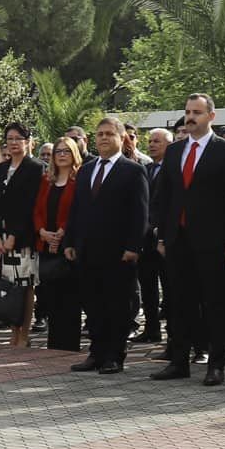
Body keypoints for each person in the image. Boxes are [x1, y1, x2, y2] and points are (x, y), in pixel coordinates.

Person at [152, 93, 225, 386]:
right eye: (187, 111)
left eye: (197, 112)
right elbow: (164, 195)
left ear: (211, 117)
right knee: (179, 301)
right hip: (177, 240)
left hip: (213, 242)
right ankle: (178, 361)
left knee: (215, 303)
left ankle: (216, 364)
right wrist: (161, 234)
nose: (191, 117)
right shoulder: (174, 151)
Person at [64, 118, 149, 374]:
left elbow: (140, 213)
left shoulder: (132, 170)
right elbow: (76, 209)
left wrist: (133, 246)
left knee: (117, 305)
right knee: (93, 304)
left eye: (109, 134)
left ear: (121, 138)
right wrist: (70, 241)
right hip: (88, 250)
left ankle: (115, 355)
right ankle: (96, 353)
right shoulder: (87, 169)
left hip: (119, 251)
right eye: (99, 134)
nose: (103, 138)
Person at [0, 123, 44, 347]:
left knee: (24, 286)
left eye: (18, 138)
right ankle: (12, 331)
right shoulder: (0, 169)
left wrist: (14, 234)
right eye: (9, 138)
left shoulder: (35, 168)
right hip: (0, 240)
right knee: (6, 286)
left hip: (23, 239)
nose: (13, 143)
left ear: (28, 141)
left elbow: (30, 206)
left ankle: (24, 333)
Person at [31, 137, 82, 353]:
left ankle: (69, 346)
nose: (61, 155)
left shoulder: (79, 179)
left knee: (69, 300)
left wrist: (61, 233)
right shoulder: (46, 180)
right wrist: (42, 232)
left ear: (74, 154)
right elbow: (37, 211)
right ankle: (54, 344)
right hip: (45, 246)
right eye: (58, 151)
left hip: (68, 247)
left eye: (66, 151)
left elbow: (78, 211)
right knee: (50, 298)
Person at [134, 128, 170, 347]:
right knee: (147, 287)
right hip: (145, 239)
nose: (152, 145)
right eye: (150, 141)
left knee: (170, 288)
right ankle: (151, 329)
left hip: (165, 238)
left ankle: (175, 336)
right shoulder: (144, 170)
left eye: (157, 141)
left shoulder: (174, 169)